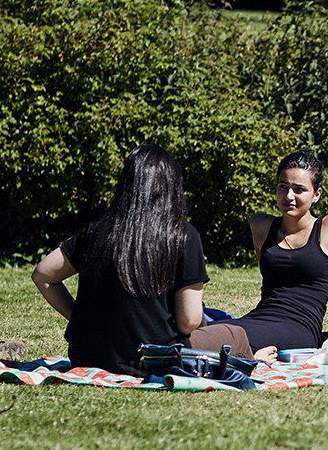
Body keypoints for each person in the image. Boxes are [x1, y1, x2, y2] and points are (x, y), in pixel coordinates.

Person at [32, 144, 256, 374]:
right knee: (235, 335)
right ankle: (259, 364)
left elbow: (43, 275)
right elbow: (188, 321)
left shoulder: (96, 231)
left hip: (87, 356)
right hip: (154, 358)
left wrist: (80, 318)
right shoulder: (183, 235)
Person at [228, 149, 328, 354]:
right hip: (259, 318)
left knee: (225, 340)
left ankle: (248, 356)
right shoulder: (261, 226)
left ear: (317, 194)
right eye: (283, 187)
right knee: (200, 333)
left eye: (299, 189)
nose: (289, 196)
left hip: (301, 328)